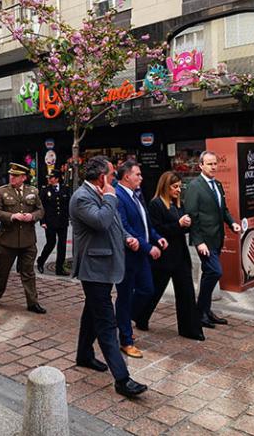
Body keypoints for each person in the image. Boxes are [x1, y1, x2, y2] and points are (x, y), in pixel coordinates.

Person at [70, 155, 147, 398]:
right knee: (106, 322)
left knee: (91, 313)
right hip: (93, 269)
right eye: (112, 174)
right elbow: (102, 221)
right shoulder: (82, 197)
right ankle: (122, 379)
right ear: (103, 177)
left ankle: (84, 355)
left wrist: (126, 237)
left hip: (105, 266)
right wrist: (112, 196)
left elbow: (114, 223)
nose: (114, 178)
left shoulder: (103, 194)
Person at [137, 171, 204, 340]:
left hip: (180, 254)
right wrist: (178, 224)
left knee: (186, 292)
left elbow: (182, 229)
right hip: (164, 256)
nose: (178, 190)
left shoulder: (178, 205)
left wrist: (187, 223)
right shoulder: (156, 205)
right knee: (155, 291)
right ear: (166, 187)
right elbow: (157, 230)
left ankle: (190, 329)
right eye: (175, 187)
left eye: (180, 187)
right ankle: (140, 317)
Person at [114, 160, 167, 358]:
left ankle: (122, 318)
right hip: (127, 255)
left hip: (141, 255)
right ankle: (125, 340)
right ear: (127, 176)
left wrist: (156, 236)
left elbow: (145, 222)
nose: (141, 178)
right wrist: (148, 247)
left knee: (147, 290)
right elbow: (125, 227)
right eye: (138, 174)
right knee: (125, 295)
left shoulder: (137, 194)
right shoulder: (118, 196)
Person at [183, 151, 241, 329]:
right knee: (215, 272)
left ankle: (205, 311)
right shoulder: (195, 186)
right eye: (209, 164)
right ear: (200, 165)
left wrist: (232, 224)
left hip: (217, 237)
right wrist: (199, 241)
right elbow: (192, 215)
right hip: (205, 240)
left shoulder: (217, 184)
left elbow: (223, 210)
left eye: (215, 163)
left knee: (211, 273)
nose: (213, 167)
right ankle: (200, 311)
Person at [0, 163, 47, 314]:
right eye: (11, 175)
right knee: (2, 271)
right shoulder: (1, 192)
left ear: (24, 178)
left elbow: (40, 210)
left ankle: (32, 302)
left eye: (15, 176)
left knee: (28, 272)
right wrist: (12, 216)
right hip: (8, 240)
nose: (12, 178)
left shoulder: (33, 191)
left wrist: (32, 216)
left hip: (28, 240)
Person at [37, 170, 71, 276]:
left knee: (62, 246)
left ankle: (59, 268)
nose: (49, 179)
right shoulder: (44, 190)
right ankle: (41, 261)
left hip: (62, 222)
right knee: (50, 244)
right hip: (50, 222)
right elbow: (41, 207)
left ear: (57, 179)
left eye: (51, 177)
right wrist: (42, 221)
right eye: (49, 177)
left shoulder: (65, 189)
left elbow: (68, 205)